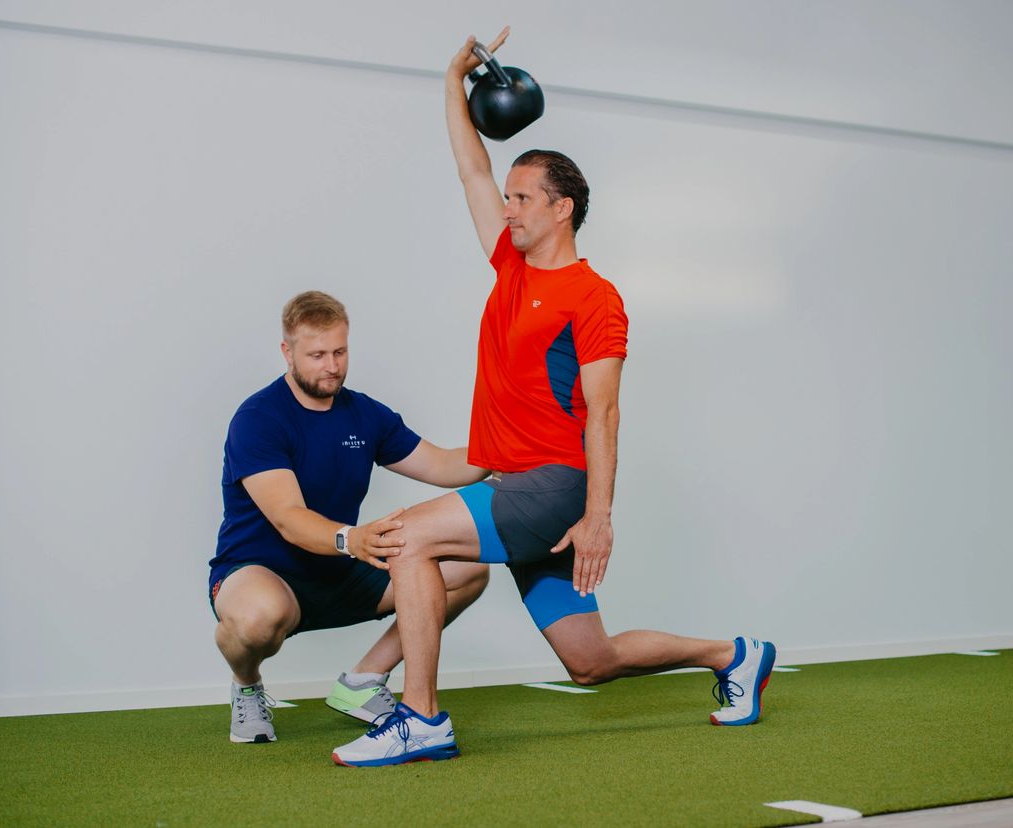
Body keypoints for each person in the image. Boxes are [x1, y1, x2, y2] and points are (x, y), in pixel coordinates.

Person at [329, 30, 774, 768]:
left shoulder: (593, 299)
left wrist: (598, 517)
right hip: (520, 486)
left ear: (562, 208)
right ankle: (735, 655)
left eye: (523, 198)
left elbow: (604, 413)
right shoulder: (510, 266)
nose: (507, 208)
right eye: (507, 197)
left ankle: (419, 717)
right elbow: (469, 170)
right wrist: (451, 81)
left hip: (556, 487)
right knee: (590, 659)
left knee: (406, 537)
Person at [210, 290, 490, 743]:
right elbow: (289, 518)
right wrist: (351, 540)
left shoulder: (364, 414)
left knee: (469, 570)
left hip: (338, 570)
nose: (332, 366)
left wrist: (508, 444)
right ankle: (246, 686)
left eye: (340, 352)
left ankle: (362, 682)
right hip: (261, 573)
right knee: (259, 618)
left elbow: (442, 466)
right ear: (288, 352)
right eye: (317, 354)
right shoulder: (258, 417)